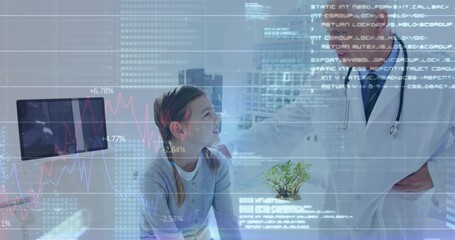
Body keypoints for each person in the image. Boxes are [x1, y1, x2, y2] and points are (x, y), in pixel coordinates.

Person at [225, 0, 455, 239]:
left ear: (379, 21)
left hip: (398, 224)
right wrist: (220, 153)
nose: (332, 43)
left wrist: (440, 172)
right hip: (336, 225)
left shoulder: (442, 75)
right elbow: (282, 127)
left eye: (341, 32)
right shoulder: (326, 78)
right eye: (329, 32)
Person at [140, 85, 242, 240]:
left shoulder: (217, 163)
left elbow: (228, 225)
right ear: (179, 130)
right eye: (207, 114)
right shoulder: (152, 178)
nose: (217, 118)